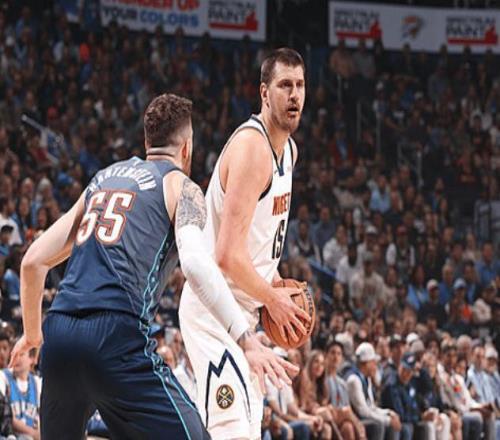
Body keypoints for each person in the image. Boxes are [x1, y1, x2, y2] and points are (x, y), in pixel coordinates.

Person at [9, 94, 297, 439]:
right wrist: (246, 339)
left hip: (60, 335)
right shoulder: (181, 186)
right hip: (116, 335)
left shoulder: (103, 178)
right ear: (187, 148)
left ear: (146, 142)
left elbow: (33, 260)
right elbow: (195, 264)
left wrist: (32, 335)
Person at [179, 47, 310, 439]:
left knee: (248, 431)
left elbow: (258, 242)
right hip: (213, 310)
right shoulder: (253, 149)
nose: (294, 95)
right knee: (231, 431)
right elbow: (227, 256)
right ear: (264, 93)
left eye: (300, 85)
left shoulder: (289, 151)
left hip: (244, 316)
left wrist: (275, 284)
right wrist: (274, 299)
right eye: (284, 85)